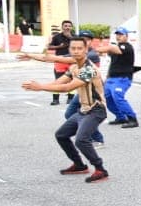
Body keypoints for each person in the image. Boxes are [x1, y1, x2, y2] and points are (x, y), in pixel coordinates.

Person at [20, 35, 110, 183]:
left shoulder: (89, 69)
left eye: (79, 48)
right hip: (83, 110)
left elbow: (67, 88)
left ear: (86, 50)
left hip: (96, 110)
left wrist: (41, 87)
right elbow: (59, 82)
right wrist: (39, 85)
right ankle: (79, 165)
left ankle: (101, 170)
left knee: (81, 140)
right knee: (61, 135)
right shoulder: (74, 67)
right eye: (73, 48)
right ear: (70, 49)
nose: (76, 51)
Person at [101, 27, 139, 128]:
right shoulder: (116, 47)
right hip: (111, 78)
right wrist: (107, 77)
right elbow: (112, 63)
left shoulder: (127, 47)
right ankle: (120, 117)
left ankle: (132, 119)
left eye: (121, 35)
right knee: (107, 98)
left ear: (126, 36)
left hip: (122, 78)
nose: (118, 36)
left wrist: (98, 49)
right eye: (117, 35)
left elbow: (114, 49)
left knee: (117, 96)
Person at [46, 20, 74, 105]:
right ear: (62, 27)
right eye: (65, 26)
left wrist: (70, 37)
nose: (67, 27)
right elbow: (49, 47)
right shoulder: (57, 37)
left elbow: (81, 45)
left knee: (72, 80)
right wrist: (59, 46)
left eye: (69, 26)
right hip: (59, 60)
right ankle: (55, 99)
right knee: (58, 80)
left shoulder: (75, 37)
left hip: (72, 61)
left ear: (71, 27)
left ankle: (70, 99)